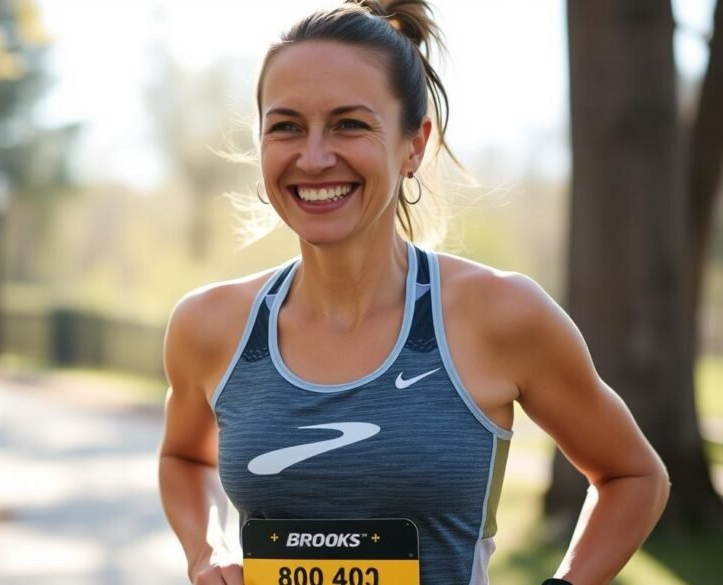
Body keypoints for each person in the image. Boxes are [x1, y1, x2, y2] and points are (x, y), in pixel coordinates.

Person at [157, 2, 670, 584]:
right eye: (287, 126)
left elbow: (633, 476)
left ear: (414, 144)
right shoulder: (210, 324)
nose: (315, 156)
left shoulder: (500, 315)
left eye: (350, 123)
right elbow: (183, 457)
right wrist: (208, 548)